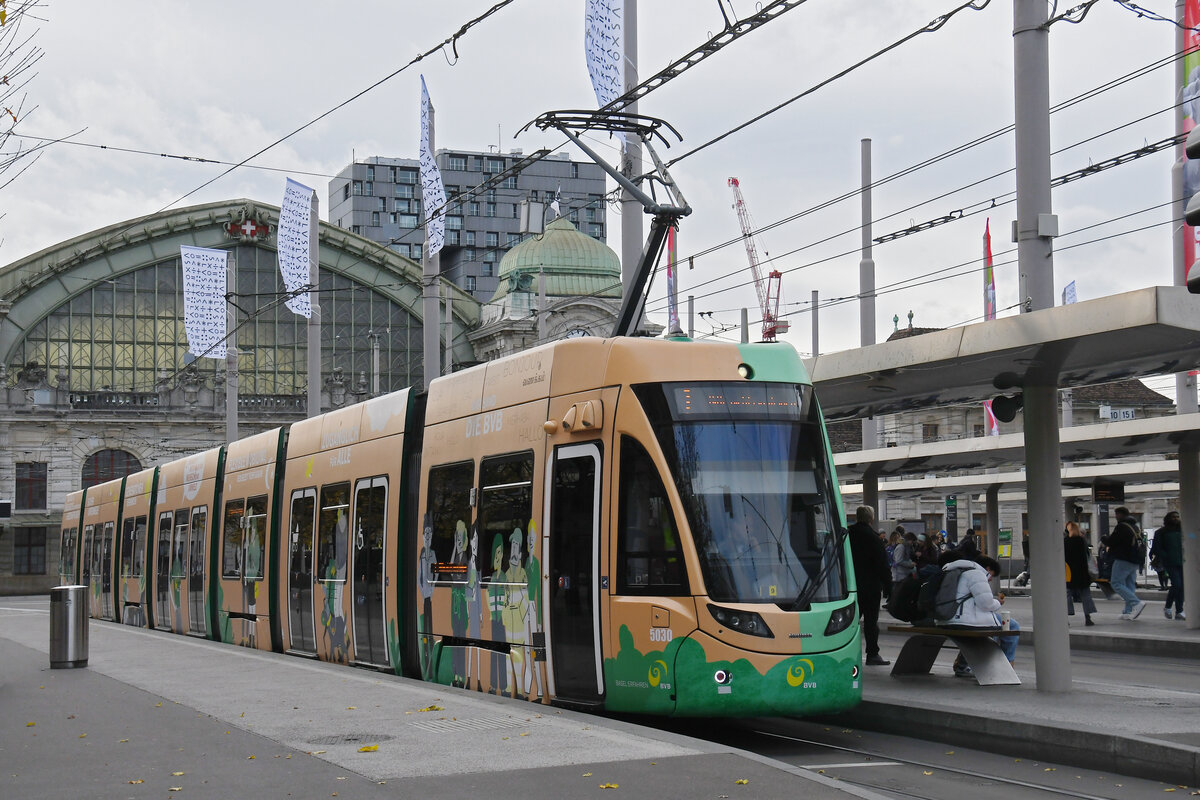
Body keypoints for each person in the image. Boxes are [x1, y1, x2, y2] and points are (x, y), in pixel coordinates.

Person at [938, 555, 1019, 673]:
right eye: (992, 574)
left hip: (944, 618)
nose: (990, 579)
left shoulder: (951, 570)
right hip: (961, 619)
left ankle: (962, 665)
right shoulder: (976, 574)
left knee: (987, 628)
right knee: (1011, 626)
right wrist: (998, 602)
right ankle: (1006, 666)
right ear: (987, 568)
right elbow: (986, 604)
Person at [848, 505, 893, 666]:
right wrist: (889, 586)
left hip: (850, 586)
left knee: (849, 622)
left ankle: (845, 652)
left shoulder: (847, 534)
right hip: (871, 587)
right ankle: (872, 653)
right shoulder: (873, 538)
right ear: (871, 519)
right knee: (870, 622)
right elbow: (882, 565)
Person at [1107, 506, 1147, 620]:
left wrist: (1104, 539)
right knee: (1129, 584)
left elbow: (1112, 541)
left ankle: (1136, 603)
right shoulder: (1135, 527)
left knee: (1116, 583)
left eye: (1116, 514)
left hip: (1123, 559)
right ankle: (1128, 611)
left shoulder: (1122, 527)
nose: (1115, 517)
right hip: (1135, 560)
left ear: (1120, 515)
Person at [1151, 511, 1185, 620]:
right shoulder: (1161, 532)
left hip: (1183, 561)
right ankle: (1168, 607)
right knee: (1177, 584)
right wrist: (1166, 556)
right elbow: (1157, 548)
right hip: (1170, 562)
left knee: (1182, 587)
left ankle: (1179, 610)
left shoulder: (1182, 530)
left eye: (1177, 516)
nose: (1176, 518)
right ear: (1168, 519)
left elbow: (1192, 538)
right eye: (1173, 517)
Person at [1064, 521, 1097, 626]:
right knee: (1085, 595)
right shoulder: (1082, 541)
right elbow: (1087, 556)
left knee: (1067, 595)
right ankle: (1088, 618)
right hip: (1082, 572)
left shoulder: (1065, 542)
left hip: (1069, 573)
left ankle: (1066, 618)